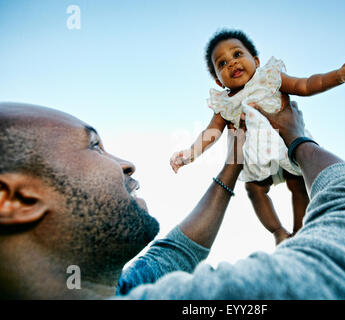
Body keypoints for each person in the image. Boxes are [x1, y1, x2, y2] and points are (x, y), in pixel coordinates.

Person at [0, 102, 244, 299]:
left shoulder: (122, 290)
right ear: (15, 199)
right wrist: (284, 132)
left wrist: (233, 164)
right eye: (95, 146)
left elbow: (176, 254)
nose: (128, 165)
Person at [170, 29, 345, 244]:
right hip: (255, 156)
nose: (231, 63)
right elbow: (210, 133)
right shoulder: (224, 103)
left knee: (297, 183)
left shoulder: (269, 78)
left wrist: (339, 76)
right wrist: (190, 154)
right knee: (254, 189)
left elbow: (305, 85)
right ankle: (278, 231)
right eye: (222, 63)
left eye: (237, 54)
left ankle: (300, 230)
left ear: (256, 61)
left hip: (284, 144)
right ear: (218, 82)